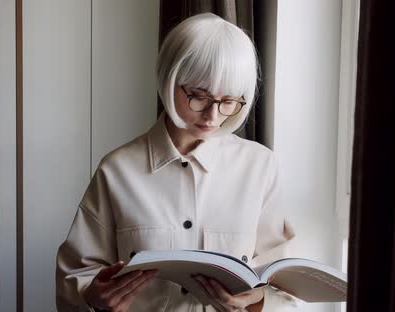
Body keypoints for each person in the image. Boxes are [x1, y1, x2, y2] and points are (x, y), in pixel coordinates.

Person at [56, 13, 298, 312]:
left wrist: (259, 300)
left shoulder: (260, 166)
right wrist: (92, 300)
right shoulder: (117, 170)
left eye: (229, 101)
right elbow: (75, 277)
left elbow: (284, 283)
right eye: (199, 96)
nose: (213, 116)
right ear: (169, 79)